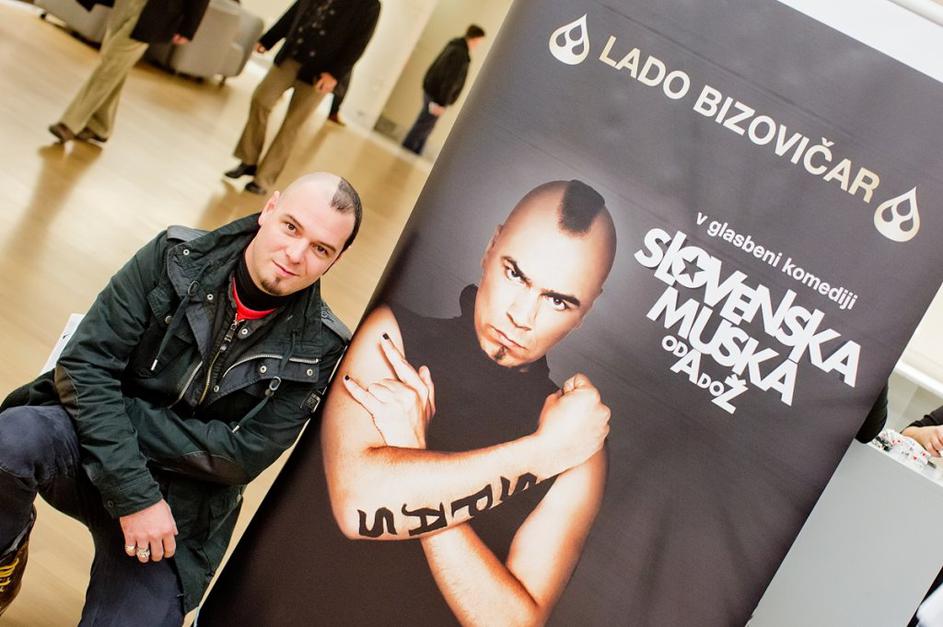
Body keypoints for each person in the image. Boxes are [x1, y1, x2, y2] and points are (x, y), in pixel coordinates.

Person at [198, 179, 617, 626]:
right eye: (515, 274)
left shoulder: (579, 441)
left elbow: (509, 623)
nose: (521, 316)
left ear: (587, 310)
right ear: (491, 247)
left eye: (557, 300)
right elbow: (359, 506)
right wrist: (541, 453)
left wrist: (414, 455)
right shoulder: (392, 337)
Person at [0, 172, 361, 624]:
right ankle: (5, 555)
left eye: (321, 249)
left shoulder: (321, 348)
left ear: (337, 259)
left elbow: (239, 457)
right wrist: (134, 494)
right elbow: (85, 366)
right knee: (11, 441)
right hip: (87, 447)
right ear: (269, 210)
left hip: (180, 512)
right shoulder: (174, 258)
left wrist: (112, 403)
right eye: (291, 227)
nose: (295, 254)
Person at [224, 0, 381, 196]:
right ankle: (248, 160)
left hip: (322, 72)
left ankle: (263, 179)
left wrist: (335, 74)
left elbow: (358, 44)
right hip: (291, 56)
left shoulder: (369, 6)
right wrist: (268, 40)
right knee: (261, 99)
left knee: (292, 124)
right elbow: (294, 12)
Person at [48, 0, 210, 144]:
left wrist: (189, 28)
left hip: (155, 11)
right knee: (114, 64)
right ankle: (100, 125)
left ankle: (70, 123)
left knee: (111, 65)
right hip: (124, 4)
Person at [402, 24, 485, 156]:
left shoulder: (454, 45)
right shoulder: (460, 54)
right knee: (423, 126)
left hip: (432, 91)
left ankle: (412, 153)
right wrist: (442, 103)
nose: (479, 44)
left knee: (426, 126)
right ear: (475, 38)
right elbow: (451, 80)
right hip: (437, 96)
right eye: (479, 41)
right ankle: (406, 152)